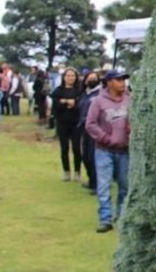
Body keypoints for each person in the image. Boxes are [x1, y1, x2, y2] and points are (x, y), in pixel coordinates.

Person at [85, 69, 131, 233]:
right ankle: (105, 219)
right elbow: (90, 124)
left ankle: (121, 216)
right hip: (104, 151)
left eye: (124, 80)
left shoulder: (129, 100)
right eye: (119, 80)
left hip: (124, 151)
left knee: (125, 185)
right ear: (109, 82)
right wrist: (106, 138)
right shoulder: (98, 101)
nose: (122, 83)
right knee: (104, 186)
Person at [51, 68, 82, 182]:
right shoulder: (58, 91)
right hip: (62, 123)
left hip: (76, 123)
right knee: (64, 148)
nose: (70, 78)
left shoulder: (80, 90)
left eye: (72, 76)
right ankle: (66, 171)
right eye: (68, 76)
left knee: (77, 148)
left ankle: (77, 171)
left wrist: (69, 102)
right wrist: (67, 103)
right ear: (64, 77)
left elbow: (80, 104)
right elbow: (55, 107)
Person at [78, 70, 102, 194]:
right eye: (89, 78)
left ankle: (98, 185)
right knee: (86, 157)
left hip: (96, 128)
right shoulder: (84, 93)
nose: (92, 80)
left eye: (94, 78)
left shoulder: (100, 93)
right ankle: (91, 181)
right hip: (84, 128)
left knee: (93, 157)